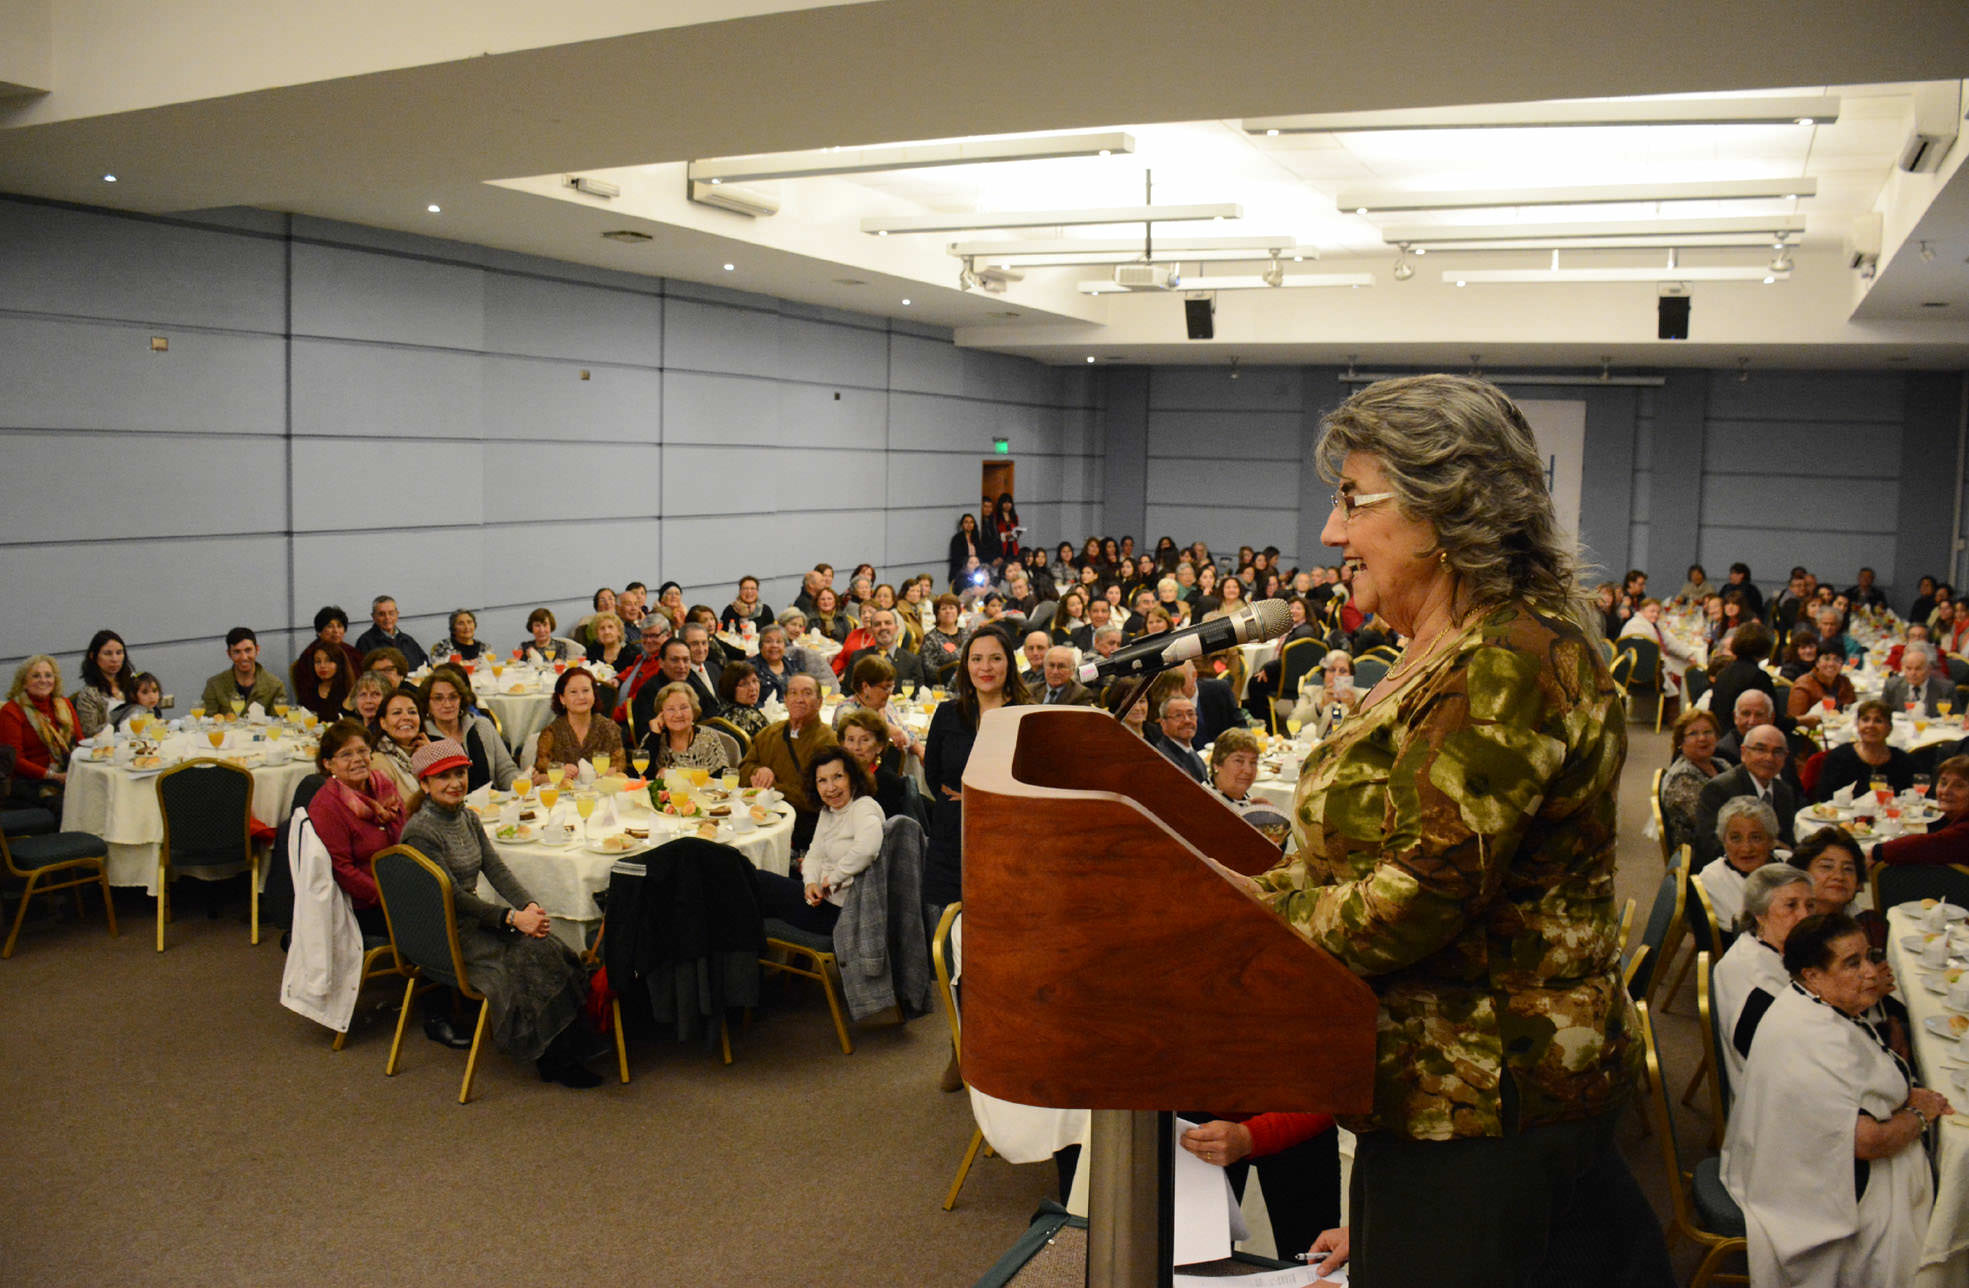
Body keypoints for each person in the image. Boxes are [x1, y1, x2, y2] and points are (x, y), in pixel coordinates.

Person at [1244, 374, 1662, 1286]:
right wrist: (1233, 898)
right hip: (1433, 1088)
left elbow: (1417, 896)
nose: (1330, 531)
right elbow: (1349, 858)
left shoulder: (1509, 659)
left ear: (1446, 508)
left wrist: (1237, 929)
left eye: (1353, 498)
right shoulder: (1441, 650)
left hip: (1487, 1095)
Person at [1722, 914, 1945, 1286]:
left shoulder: (1804, 1002)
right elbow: (1869, 1141)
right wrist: (1920, 1115)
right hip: (1808, 1198)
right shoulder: (1816, 1037)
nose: (1871, 973)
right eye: (1852, 964)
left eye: (1868, 957)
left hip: (1780, 1159)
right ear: (1812, 975)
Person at [397, 739, 601, 1087]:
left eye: (459, 774)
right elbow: (455, 897)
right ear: (424, 784)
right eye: (443, 777)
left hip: (473, 921)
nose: (455, 783)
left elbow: (497, 870)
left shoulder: (467, 817)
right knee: (526, 955)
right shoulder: (421, 831)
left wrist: (529, 906)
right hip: (447, 932)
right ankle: (550, 1056)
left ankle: (564, 1041)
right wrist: (511, 919)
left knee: (550, 945)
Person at [923, 624, 1028, 912]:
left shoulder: (1025, 715)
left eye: (995, 658)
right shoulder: (947, 714)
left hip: (1006, 838)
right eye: (977, 658)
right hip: (952, 837)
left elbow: (1034, 782)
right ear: (966, 664)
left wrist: (978, 800)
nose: (986, 667)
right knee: (948, 929)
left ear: (1009, 662)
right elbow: (932, 774)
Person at [749, 745, 884, 935]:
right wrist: (811, 883)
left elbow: (867, 850)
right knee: (749, 890)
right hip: (822, 902)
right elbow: (815, 854)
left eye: (838, 777)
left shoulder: (863, 807)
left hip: (845, 914)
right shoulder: (828, 812)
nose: (831, 788)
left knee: (753, 880)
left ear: (852, 777)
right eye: (822, 780)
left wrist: (832, 879)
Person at [1711, 863, 1813, 1091]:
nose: (1805, 915)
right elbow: (1780, 1061)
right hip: (1774, 1095)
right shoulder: (1756, 977)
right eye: (1791, 906)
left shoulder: (1759, 946)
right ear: (1760, 914)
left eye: (1810, 905)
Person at [308, 718, 406, 938]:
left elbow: (404, 834)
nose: (358, 760)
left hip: (399, 882)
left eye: (362, 751)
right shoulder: (327, 806)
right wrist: (389, 895)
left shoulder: (382, 784)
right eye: (346, 755)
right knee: (439, 917)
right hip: (363, 904)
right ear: (328, 764)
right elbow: (342, 871)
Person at [736, 673, 837, 850]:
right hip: (759, 820)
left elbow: (820, 797)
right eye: (793, 693)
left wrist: (773, 787)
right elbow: (743, 769)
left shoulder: (828, 741)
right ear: (786, 699)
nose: (799, 699)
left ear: (820, 702)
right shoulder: (770, 733)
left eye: (807, 693)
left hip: (805, 830)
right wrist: (757, 772)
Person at [1695, 724, 1797, 863]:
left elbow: (1788, 841)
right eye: (1760, 750)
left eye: (1777, 752)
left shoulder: (1783, 791)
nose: (1769, 758)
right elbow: (1711, 846)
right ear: (1744, 753)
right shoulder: (1719, 790)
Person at [423, 668, 523, 792]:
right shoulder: (424, 738)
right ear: (427, 704)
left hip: (491, 805)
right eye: (438, 698)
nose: (447, 704)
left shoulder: (481, 726)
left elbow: (506, 770)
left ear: (461, 700)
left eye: (453, 697)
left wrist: (522, 783)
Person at [2, 656, 79, 806]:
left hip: (67, 772)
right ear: (24, 682)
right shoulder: (11, 711)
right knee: (69, 804)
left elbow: (79, 743)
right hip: (29, 781)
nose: (43, 680)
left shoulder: (64, 704)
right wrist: (53, 776)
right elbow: (15, 761)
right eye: (36, 676)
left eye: (48, 675)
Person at [1698, 796, 1781, 933]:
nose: (1746, 848)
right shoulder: (1713, 878)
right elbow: (1750, 931)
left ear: (1771, 840)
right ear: (1723, 840)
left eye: (1756, 838)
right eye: (1736, 838)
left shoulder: (1787, 861)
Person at [1872, 754, 1969, 867]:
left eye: (1959, 786)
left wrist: (1878, 851)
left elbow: (1934, 844)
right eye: (1943, 783)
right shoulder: (1951, 819)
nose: (1946, 791)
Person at [532, 667, 624, 781]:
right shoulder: (551, 733)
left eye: (586, 690)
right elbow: (537, 777)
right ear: (562, 699)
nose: (581, 697)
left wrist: (591, 776)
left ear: (594, 695)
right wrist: (558, 774)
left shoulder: (609, 728)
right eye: (573, 692)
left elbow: (619, 769)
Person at [1816, 699, 1913, 802]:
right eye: (1865, 720)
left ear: (1889, 728)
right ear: (1857, 726)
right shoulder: (1839, 758)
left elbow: (1912, 800)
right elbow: (1824, 799)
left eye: (1878, 721)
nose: (1870, 725)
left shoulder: (1903, 762)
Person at [1659, 708, 1725, 854]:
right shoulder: (1681, 779)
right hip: (1702, 852)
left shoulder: (1722, 764)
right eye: (1693, 734)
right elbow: (1707, 824)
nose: (1702, 738)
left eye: (1708, 732)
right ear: (1680, 742)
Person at [634, 682, 730, 773]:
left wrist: (674, 775)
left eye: (684, 707)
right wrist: (654, 735)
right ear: (661, 714)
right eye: (671, 709)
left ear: (693, 710)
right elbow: (642, 777)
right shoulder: (653, 738)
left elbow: (721, 778)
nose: (678, 714)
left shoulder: (708, 738)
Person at [834, 707, 909, 820]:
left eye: (864, 740)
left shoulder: (886, 781)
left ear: (879, 746)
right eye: (850, 740)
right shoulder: (835, 775)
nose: (856, 747)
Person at [1619, 597, 1698, 699]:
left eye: (1658, 612)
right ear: (1641, 611)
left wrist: (1689, 655)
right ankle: (1674, 707)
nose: (1655, 615)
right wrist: (1669, 668)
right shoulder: (1636, 627)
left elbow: (1669, 642)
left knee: (1685, 664)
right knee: (1683, 672)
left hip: (1652, 666)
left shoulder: (1651, 625)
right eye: (1652, 611)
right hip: (1644, 672)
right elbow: (1649, 653)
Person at [200, 627, 288, 716]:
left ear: (257, 650)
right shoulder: (215, 685)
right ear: (229, 654)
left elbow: (279, 722)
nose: (244, 657)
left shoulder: (275, 686)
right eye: (237, 652)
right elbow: (206, 722)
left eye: (248, 650)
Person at [290, 606, 364, 701]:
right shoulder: (310, 655)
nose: (336, 631)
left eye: (339, 626)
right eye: (330, 626)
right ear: (319, 631)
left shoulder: (351, 651)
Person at [73, 629, 137, 738]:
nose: (115, 659)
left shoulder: (133, 683)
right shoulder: (88, 694)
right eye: (107, 653)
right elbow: (89, 732)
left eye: (119, 653)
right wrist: (120, 725)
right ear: (93, 656)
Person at [369, 688, 428, 802]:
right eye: (396, 713)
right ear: (383, 723)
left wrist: (432, 757)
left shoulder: (426, 751)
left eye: (412, 712)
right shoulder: (379, 762)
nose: (406, 717)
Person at [1789, 640, 1857, 727]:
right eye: (1826, 659)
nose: (1831, 664)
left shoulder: (1845, 682)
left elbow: (1852, 712)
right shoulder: (1803, 685)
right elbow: (1796, 721)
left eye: (1837, 660)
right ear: (1817, 663)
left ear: (1842, 664)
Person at [354, 595, 427, 671]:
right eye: (381, 614)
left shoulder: (407, 640)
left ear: (397, 614)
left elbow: (425, 664)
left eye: (391, 613)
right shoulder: (365, 642)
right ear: (373, 617)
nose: (387, 617)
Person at [1883, 642, 1951, 717]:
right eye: (1908, 668)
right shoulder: (1891, 685)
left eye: (1918, 669)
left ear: (1929, 669)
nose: (1913, 673)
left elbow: (1956, 719)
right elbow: (1882, 716)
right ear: (1902, 668)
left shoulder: (1945, 689)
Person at [1150, 693, 1206, 782]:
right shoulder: (1164, 761)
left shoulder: (1190, 751)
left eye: (1190, 714)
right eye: (1178, 715)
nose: (1187, 720)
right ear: (1163, 724)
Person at [295, 642, 355, 723]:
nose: (322, 666)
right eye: (318, 661)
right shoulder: (309, 688)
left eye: (328, 661)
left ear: (339, 663)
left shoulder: (349, 690)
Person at [715, 660, 771, 739]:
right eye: (744, 684)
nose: (753, 688)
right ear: (731, 688)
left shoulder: (722, 711)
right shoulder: (752, 719)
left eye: (755, 681)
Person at [919, 595, 966, 684]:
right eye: (944, 609)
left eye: (951, 608)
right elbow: (929, 670)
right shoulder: (931, 638)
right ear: (937, 613)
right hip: (943, 687)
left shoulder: (967, 634)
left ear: (958, 611)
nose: (948, 611)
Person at [515, 608, 581, 664]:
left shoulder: (560, 646)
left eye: (545, 625)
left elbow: (558, 666)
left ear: (551, 626)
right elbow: (521, 668)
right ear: (531, 628)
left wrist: (535, 657)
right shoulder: (526, 647)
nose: (541, 630)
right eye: (537, 625)